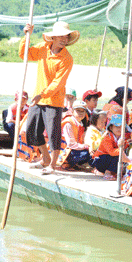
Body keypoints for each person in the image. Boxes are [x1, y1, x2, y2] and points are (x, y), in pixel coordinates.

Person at [19, 21, 78, 175]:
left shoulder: (67, 58)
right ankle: (45, 157)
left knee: (53, 133)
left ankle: (52, 164)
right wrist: (26, 36)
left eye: (66, 37)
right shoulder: (43, 48)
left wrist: (42, 94)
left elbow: (58, 83)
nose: (64, 39)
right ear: (53, 37)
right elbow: (24, 54)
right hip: (37, 98)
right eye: (61, 36)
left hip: (53, 100)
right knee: (31, 130)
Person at [57, 100, 91, 170]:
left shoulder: (80, 124)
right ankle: (66, 164)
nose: (81, 113)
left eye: (83, 111)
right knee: (86, 154)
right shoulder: (69, 123)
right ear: (72, 111)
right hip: (64, 152)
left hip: (74, 149)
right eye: (78, 110)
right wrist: (86, 146)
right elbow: (71, 144)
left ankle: (73, 164)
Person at [90, 114, 124, 180]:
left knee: (120, 156)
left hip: (108, 160)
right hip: (100, 161)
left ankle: (113, 172)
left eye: (121, 127)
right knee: (118, 156)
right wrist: (121, 150)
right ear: (111, 128)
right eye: (117, 127)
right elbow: (111, 152)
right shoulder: (107, 138)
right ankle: (108, 172)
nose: (119, 129)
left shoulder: (122, 138)